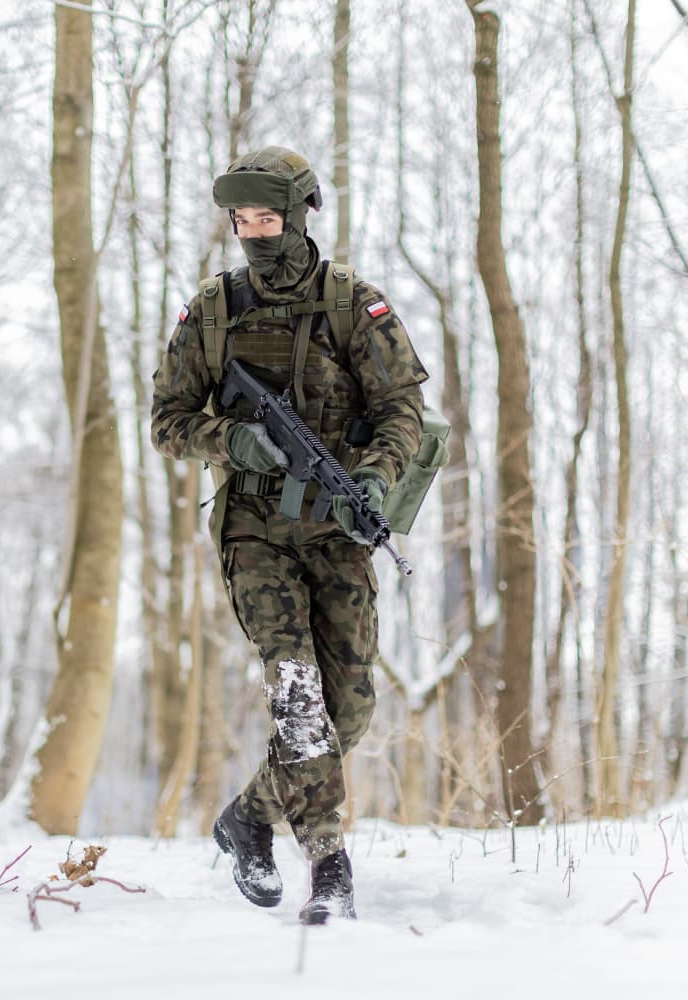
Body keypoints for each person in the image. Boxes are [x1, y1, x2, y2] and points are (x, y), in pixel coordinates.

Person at [151, 146, 428, 924]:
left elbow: (402, 410)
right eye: (241, 221)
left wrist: (374, 478)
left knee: (350, 709)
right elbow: (167, 421)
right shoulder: (213, 311)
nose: (254, 234)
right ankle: (329, 869)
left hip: (337, 529)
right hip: (254, 533)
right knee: (298, 693)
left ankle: (248, 818)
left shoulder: (353, 305)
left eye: (267, 220)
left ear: (303, 215)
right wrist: (230, 439)